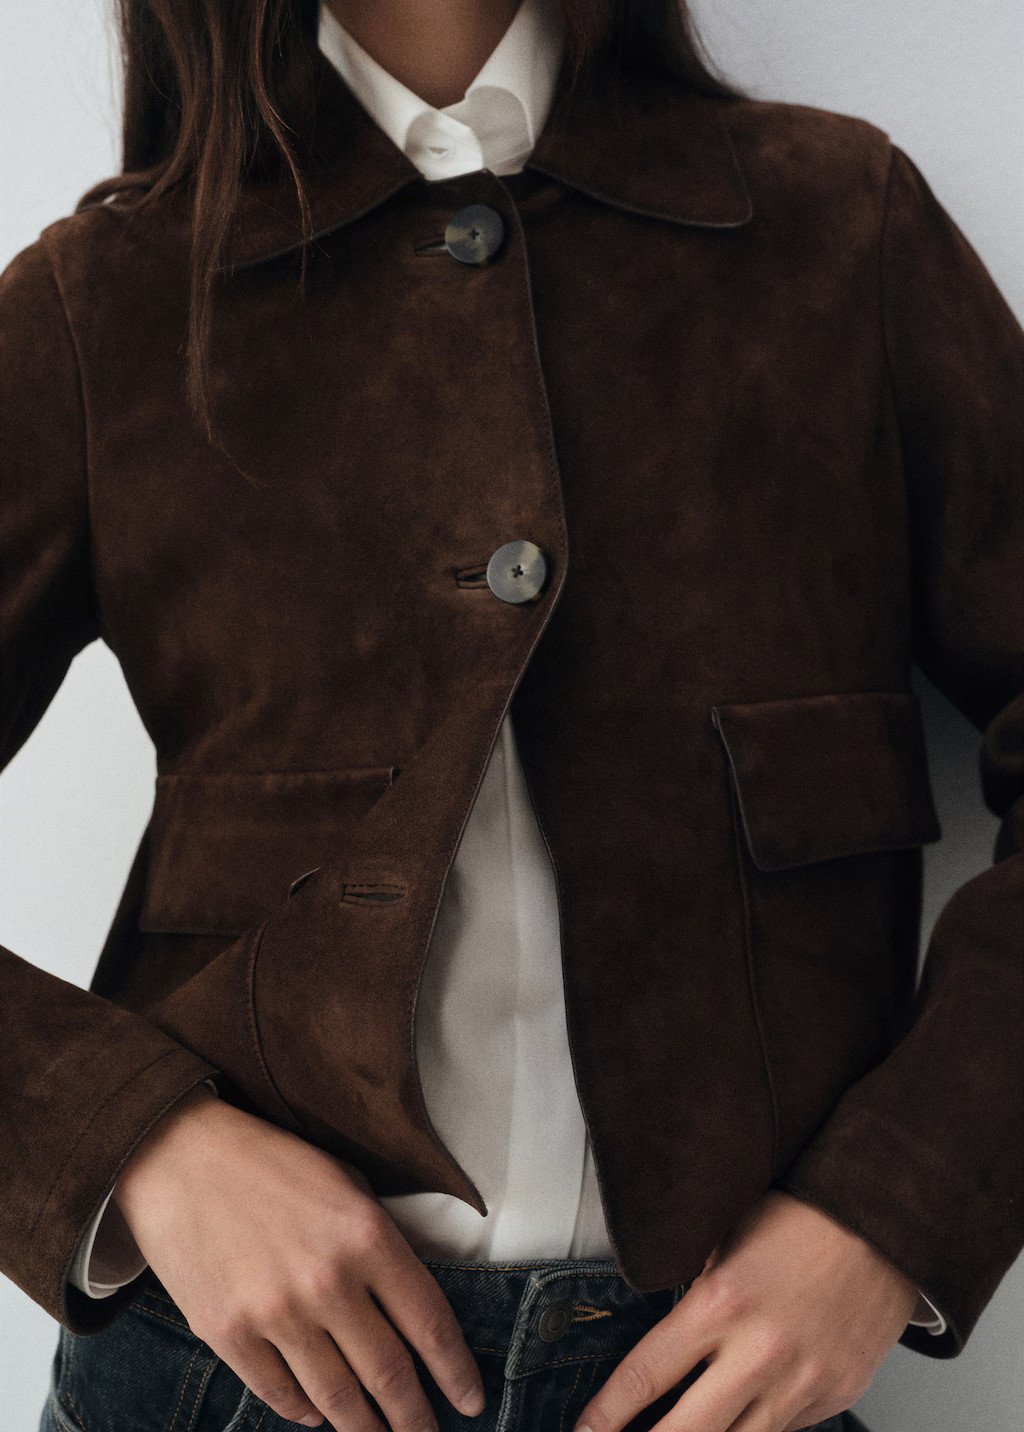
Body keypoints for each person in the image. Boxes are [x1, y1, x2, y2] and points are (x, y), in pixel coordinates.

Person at [1, 1, 1021, 1430]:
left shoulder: (836, 230)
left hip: (723, 1380)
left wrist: (897, 1210)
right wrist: (134, 1149)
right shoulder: (110, 298)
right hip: (222, 1383)